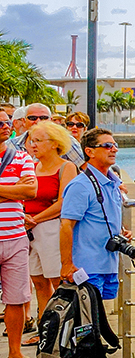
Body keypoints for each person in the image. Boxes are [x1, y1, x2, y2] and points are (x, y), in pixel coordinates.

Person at [57, 128, 127, 358]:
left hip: (107, 260)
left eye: (114, 145)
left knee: (96, 312)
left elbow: (104, 218)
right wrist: (67, 263)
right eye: (107, 146)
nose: (113, 149)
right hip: (87, 262)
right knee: (91, 315)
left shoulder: (111, 182)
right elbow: (67, 226)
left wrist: (120, 232)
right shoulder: (81, 184)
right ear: (89, 151)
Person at [22, 122, 76, 339]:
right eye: (31, 141)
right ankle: (46, 333)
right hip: (29, 231)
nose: (33, 145)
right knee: (38, 282)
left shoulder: (66, 167)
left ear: (54, 143)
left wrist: (35, 219)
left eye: (38, 140)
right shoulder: (30, 166)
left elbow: (64, 202)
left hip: (51, 230)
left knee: (58, 282)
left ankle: (65, 332)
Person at [0, 135, 39, 358]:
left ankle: (15, 353)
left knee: (17, 298)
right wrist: (13, 190)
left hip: (15, 238)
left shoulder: (22, 157)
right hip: (13, 233)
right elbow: (21, 190)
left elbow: (31, 191)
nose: (5, 127)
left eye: (6, 122)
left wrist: (20, 190)